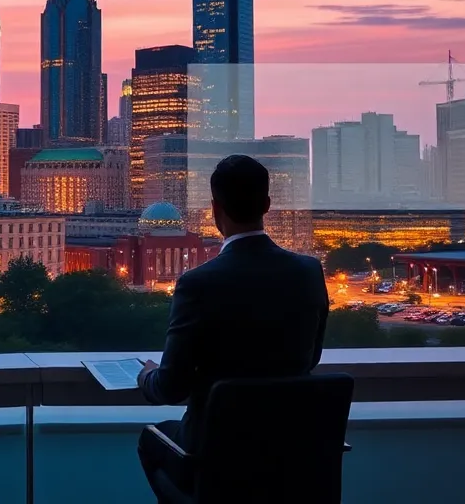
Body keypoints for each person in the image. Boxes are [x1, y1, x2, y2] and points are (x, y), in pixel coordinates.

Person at [136, 154, 329, 501]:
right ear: (267, 205)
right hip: (288, 454)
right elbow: (310, 358)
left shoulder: (197, 283)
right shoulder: (309, 271)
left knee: (152, 440)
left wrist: (146, 376)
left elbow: (170, 388)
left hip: (215, 457)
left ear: (215, 208)